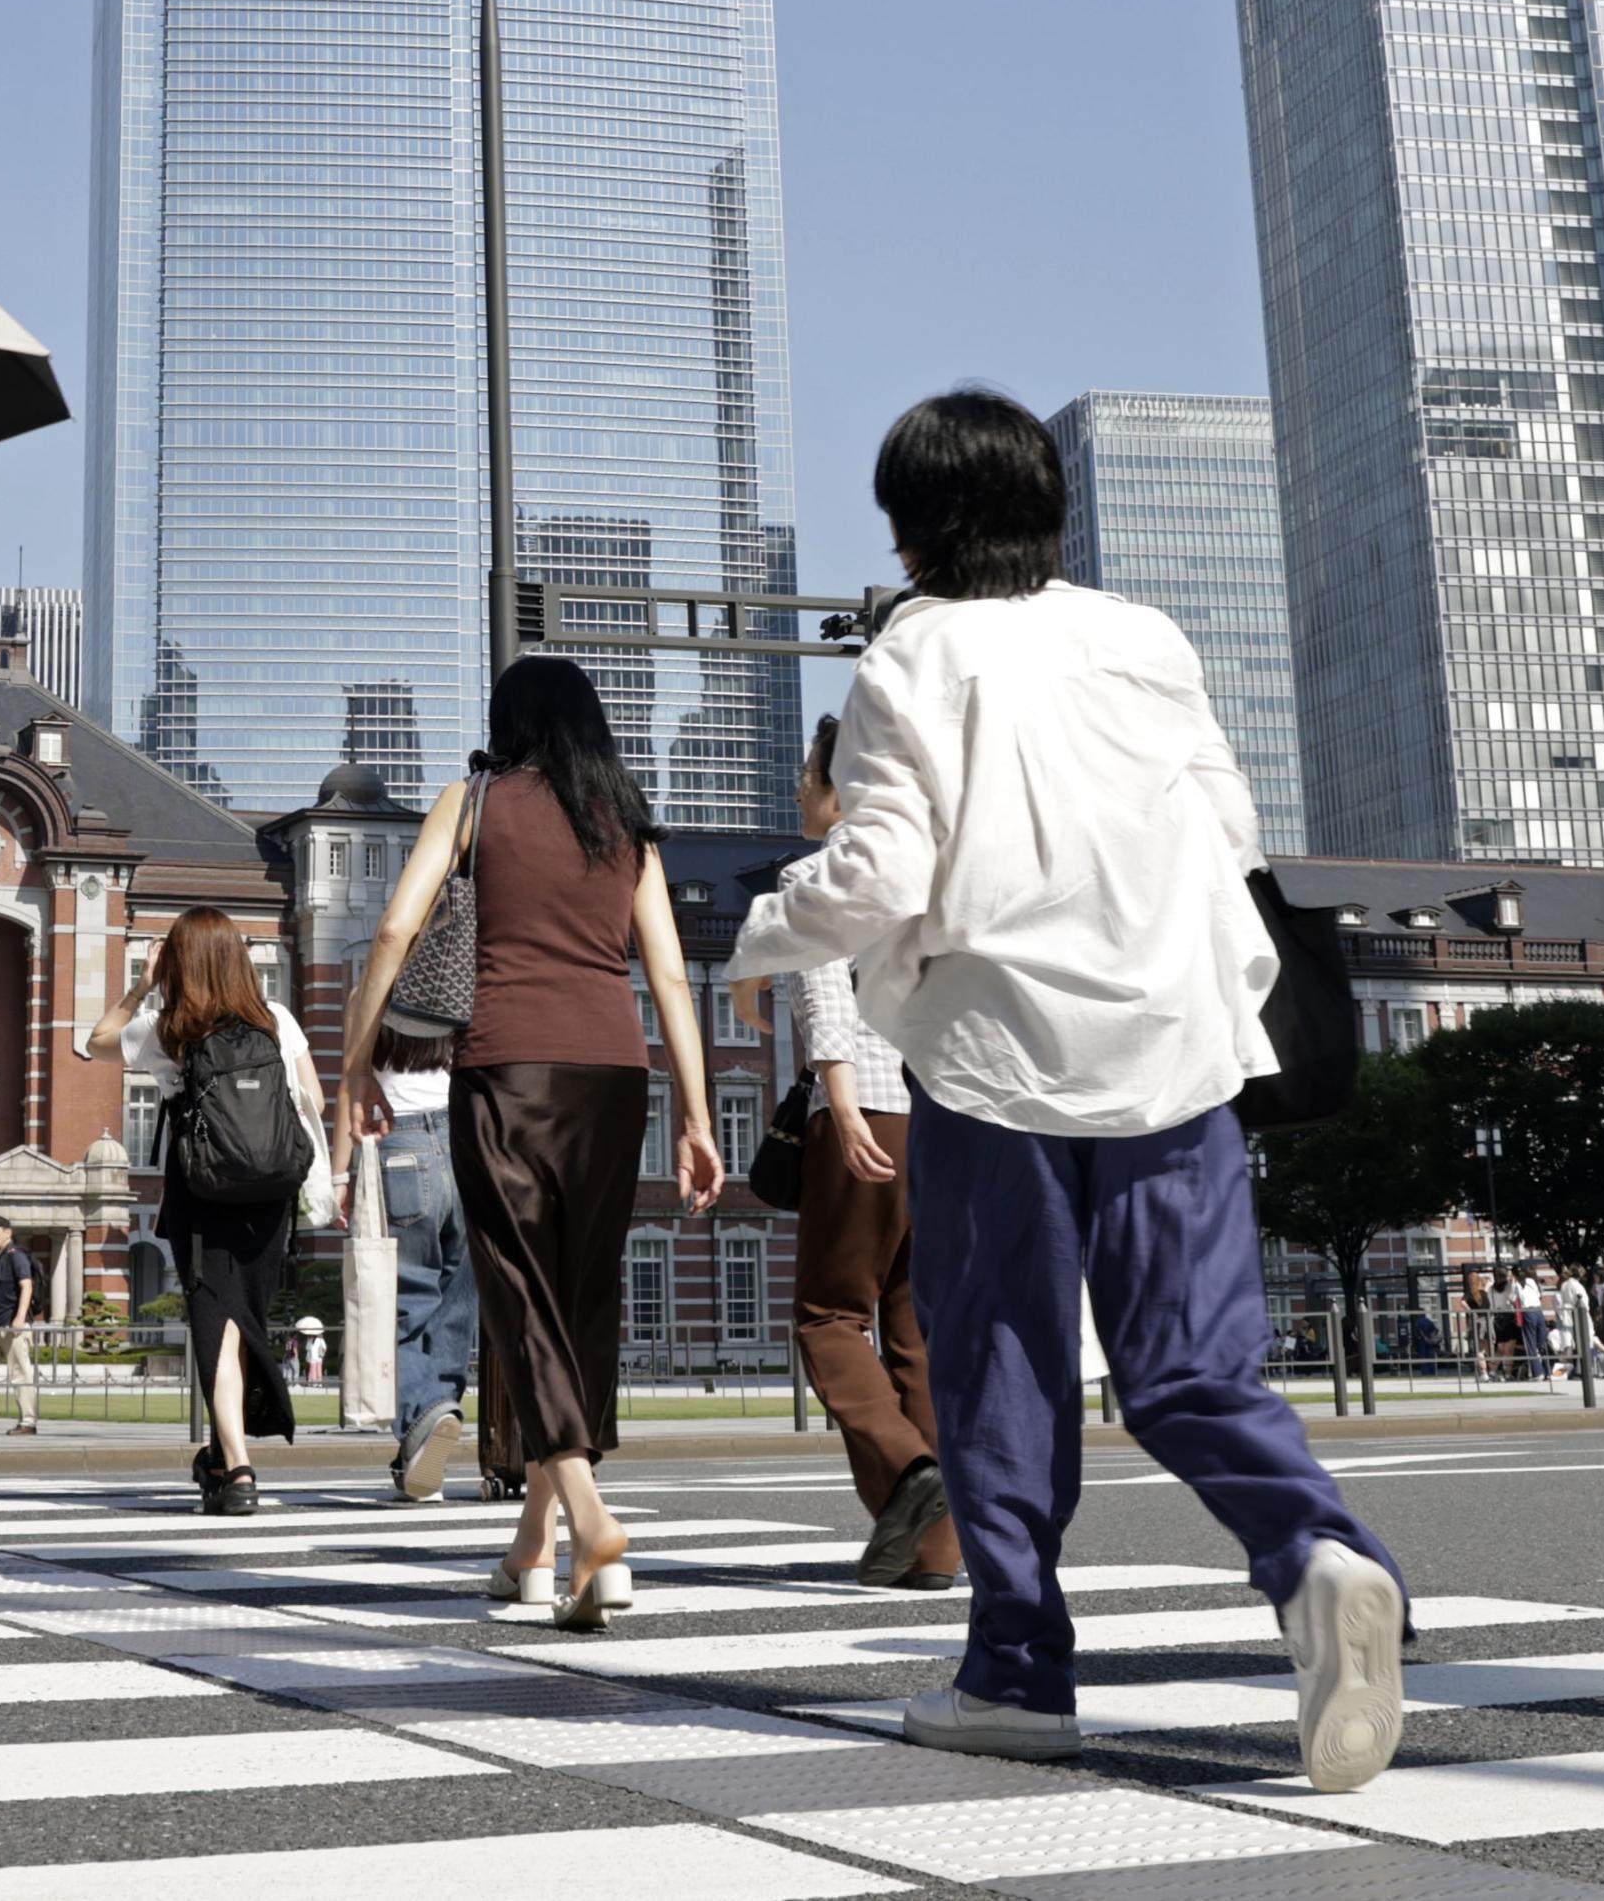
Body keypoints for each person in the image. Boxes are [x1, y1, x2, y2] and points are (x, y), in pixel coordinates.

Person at [727, 390, 1407, 1794]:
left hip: (999, 1067)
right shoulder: (1143, 635)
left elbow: (882, 872)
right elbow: (1228, 824)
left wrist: (758, 934)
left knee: (1005, 1374)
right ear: (1053, 515)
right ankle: (1319, 1553)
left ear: (911, 536)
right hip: (1179, 1048)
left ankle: (1020, 1673)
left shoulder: (911, 658)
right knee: (1194, 1369)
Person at [339, 658, 722, 1629]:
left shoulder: (471, 802)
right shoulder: (623, 819)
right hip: (612, 1075)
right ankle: (535, 1551)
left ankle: (592, 1522)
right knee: (579, 1304)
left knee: (520, 1297)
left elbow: (394, 928)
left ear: (506, 719)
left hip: (507, 1070)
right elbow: (671, 976)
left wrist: (354, 1063)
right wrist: (697, 1114)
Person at [758, 716, 960, 1590]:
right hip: (945, 1118)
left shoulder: (812, 874)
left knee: (830, 1316)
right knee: (914, 1329)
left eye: (807, 776)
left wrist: (838, 1101)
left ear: (839, 787)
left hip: (867, 1112)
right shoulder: (932, 874)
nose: (799, 790)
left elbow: (822, 997)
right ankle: (932, 1552)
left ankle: (912, 1472)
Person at [115, 907, 332, 1515]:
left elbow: (93, 1041)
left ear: (177, 965)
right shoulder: (276, 1020)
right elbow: (312, 1098)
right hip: (268, 1197)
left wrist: (140, 983)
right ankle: (221, 1458)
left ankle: (237, 1468)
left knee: (217, 1329)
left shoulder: (169, 1029)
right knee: (243, 1327)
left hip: (201, 1196)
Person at [352, 969, 475, 1503]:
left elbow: (349, 1086)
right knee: (458, 1299)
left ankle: (425, 1419)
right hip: (467, 1136)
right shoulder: (468, 983)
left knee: (403, 1302)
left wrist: (340, 1176)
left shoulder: (369, 989)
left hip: (397, 1136)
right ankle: (436, 1416)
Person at [0, 1221, 44, 1433]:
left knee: (20, 1373)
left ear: (8, 1233)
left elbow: (27, 1286)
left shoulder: (17, 1256)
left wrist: (20, 1318)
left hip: (13, 1326)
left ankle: (28, 1422)